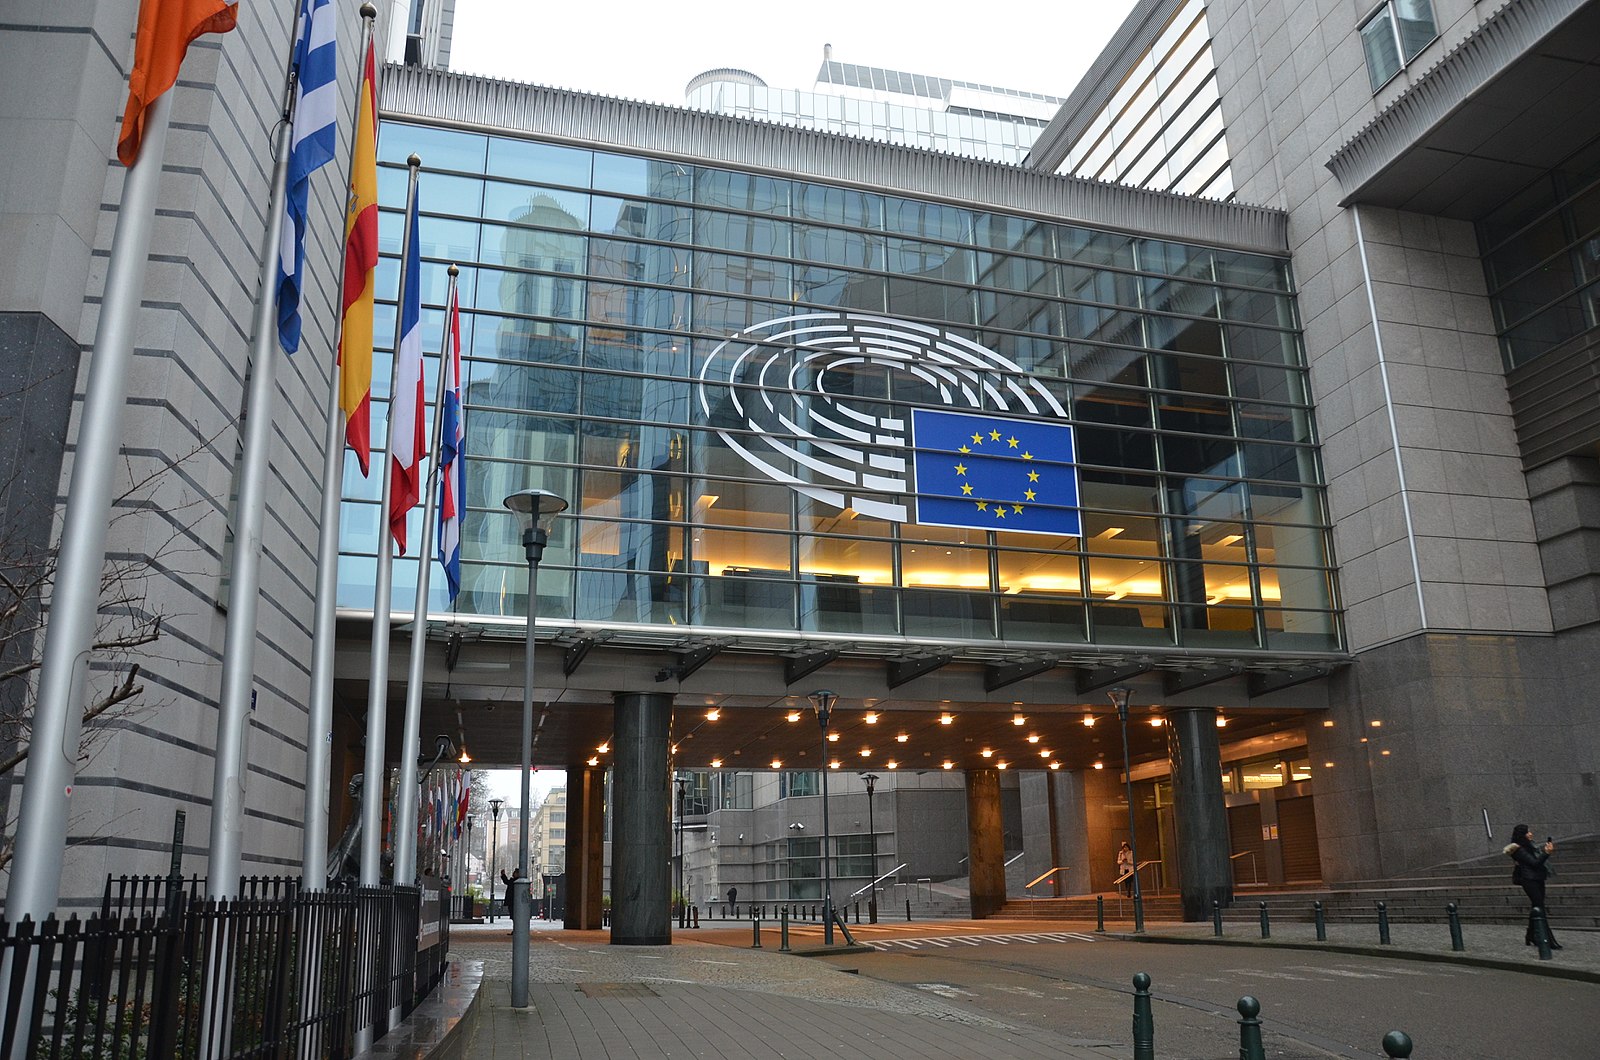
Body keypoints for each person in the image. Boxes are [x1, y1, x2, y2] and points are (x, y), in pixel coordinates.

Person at [1504, 823, 1561, 949]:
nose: (1530, 834)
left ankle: (1531, 935)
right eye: (1527, 832)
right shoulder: (1517, 849)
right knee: (1539, 907)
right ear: (1522, 835)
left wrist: (1545, 852)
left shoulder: (1531, 845)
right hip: (1529, 879)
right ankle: (1546, 939)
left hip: (1539, 878)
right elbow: (1534, 863)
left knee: (1537, 906)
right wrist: (1546, 853)